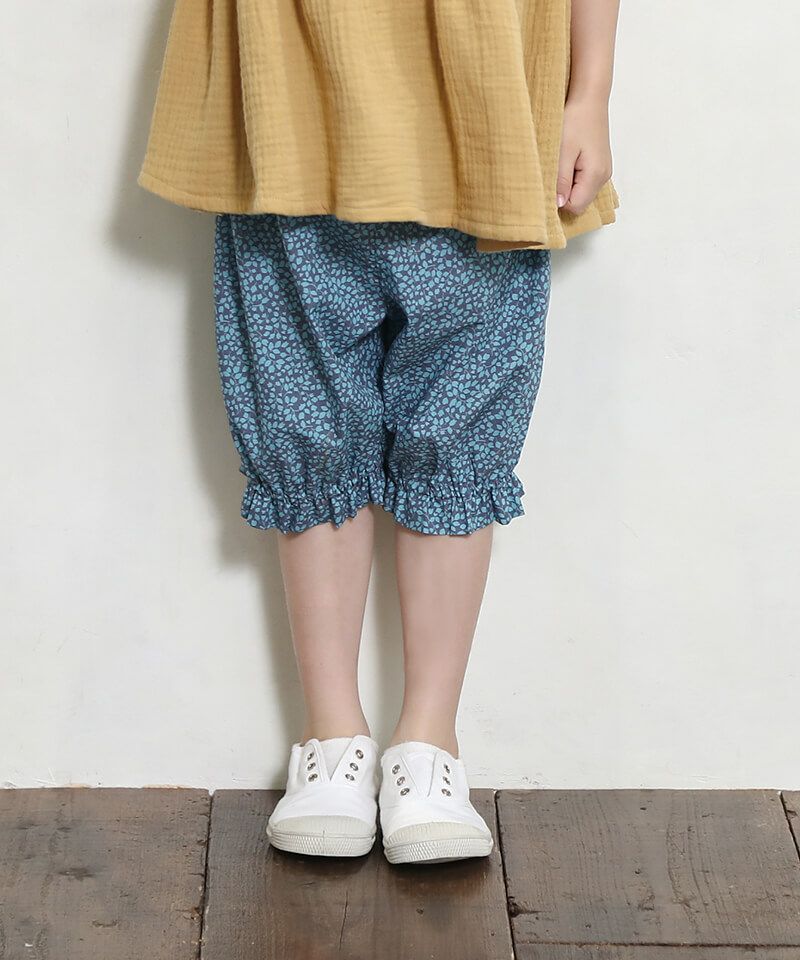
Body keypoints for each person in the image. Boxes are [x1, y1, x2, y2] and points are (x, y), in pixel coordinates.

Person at [138, 0, 620, 864]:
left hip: (489, 91)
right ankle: (332, 739)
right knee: (305, 419)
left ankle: (429, 743)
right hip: (290, 78)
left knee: (459, 422)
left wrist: (590, 94)